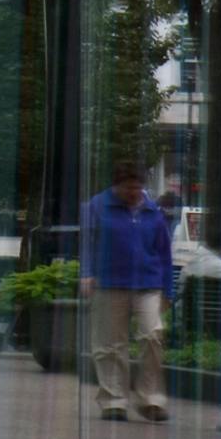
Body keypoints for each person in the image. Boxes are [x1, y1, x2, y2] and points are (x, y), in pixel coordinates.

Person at [79, 160, 175, 422]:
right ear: (116, 186)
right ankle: (114, 401)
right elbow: (86, 243)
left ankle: (150, 399)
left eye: (137, 187)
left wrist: (168, 289)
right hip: (110, 281)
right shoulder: (98, 206)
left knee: (152, 335)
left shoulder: (153, 211)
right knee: (110, 344)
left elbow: (164, 252)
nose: (134, 193)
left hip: (148, 282)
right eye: (128, 188)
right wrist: (86, 273)